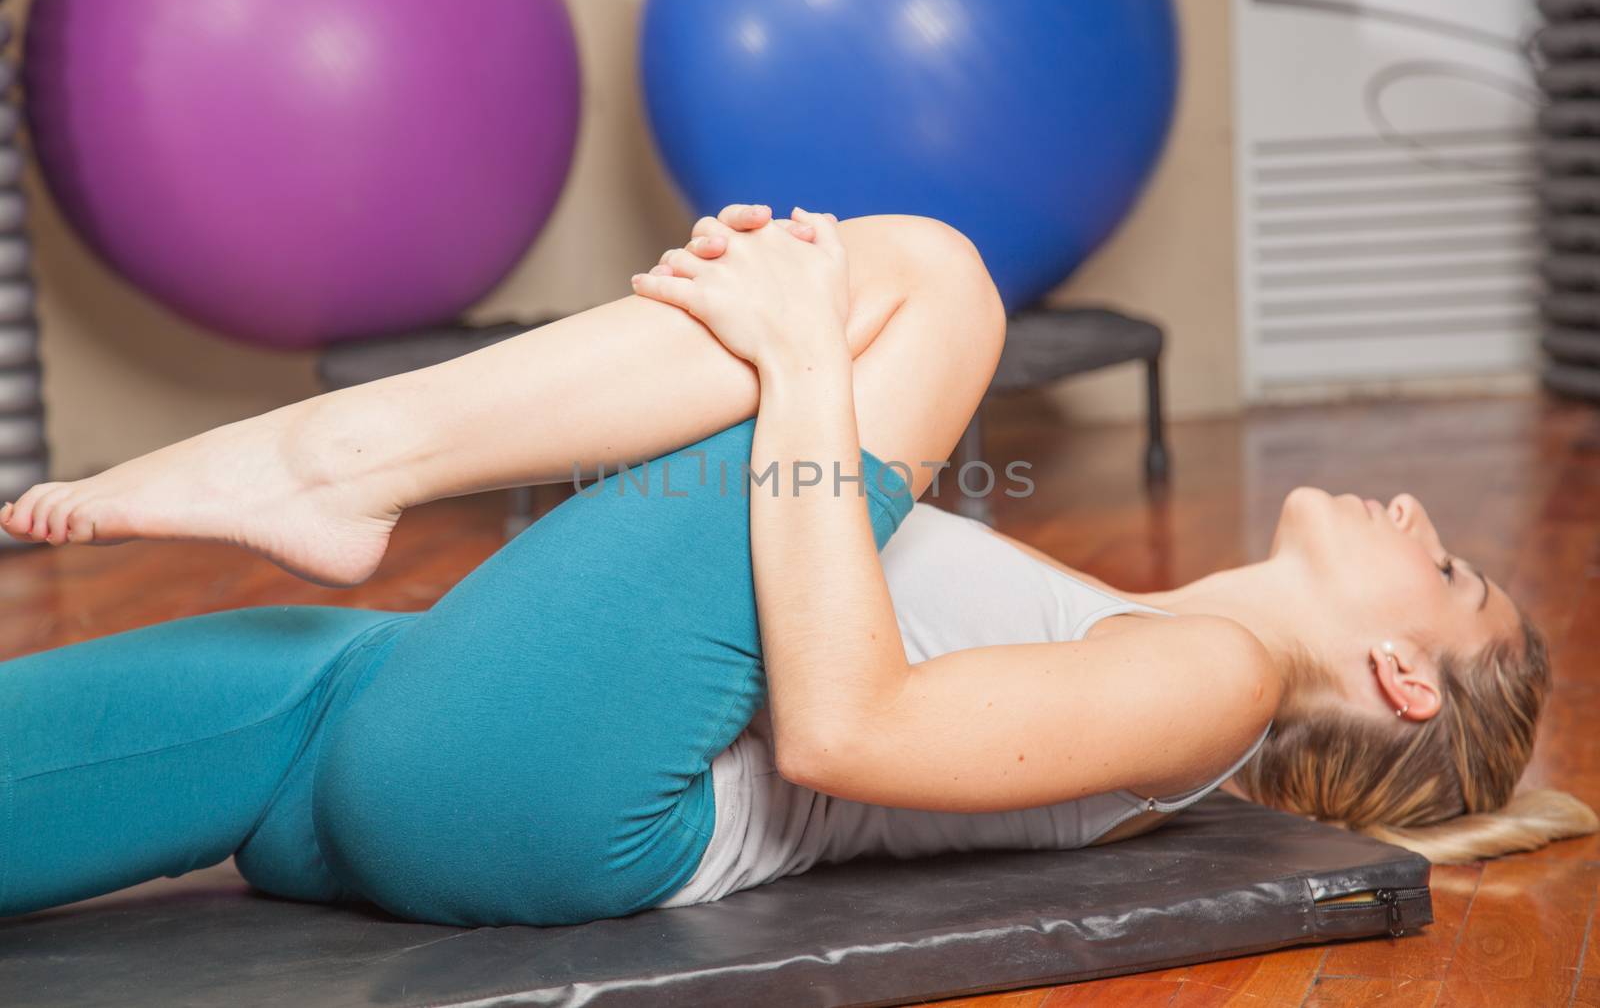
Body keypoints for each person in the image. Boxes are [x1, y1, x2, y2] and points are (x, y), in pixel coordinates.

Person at [0, 209, 1591, 927]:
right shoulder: (1146, 637)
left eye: (1441, 566)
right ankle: (340, 470)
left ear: (1398, 677)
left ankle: (336, 460)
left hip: (572, 793)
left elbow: (845, 733)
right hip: (423, 708)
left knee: (933, 287)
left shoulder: (1216, 685)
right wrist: (782, 358)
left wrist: (805, 368)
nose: (1406, 513)